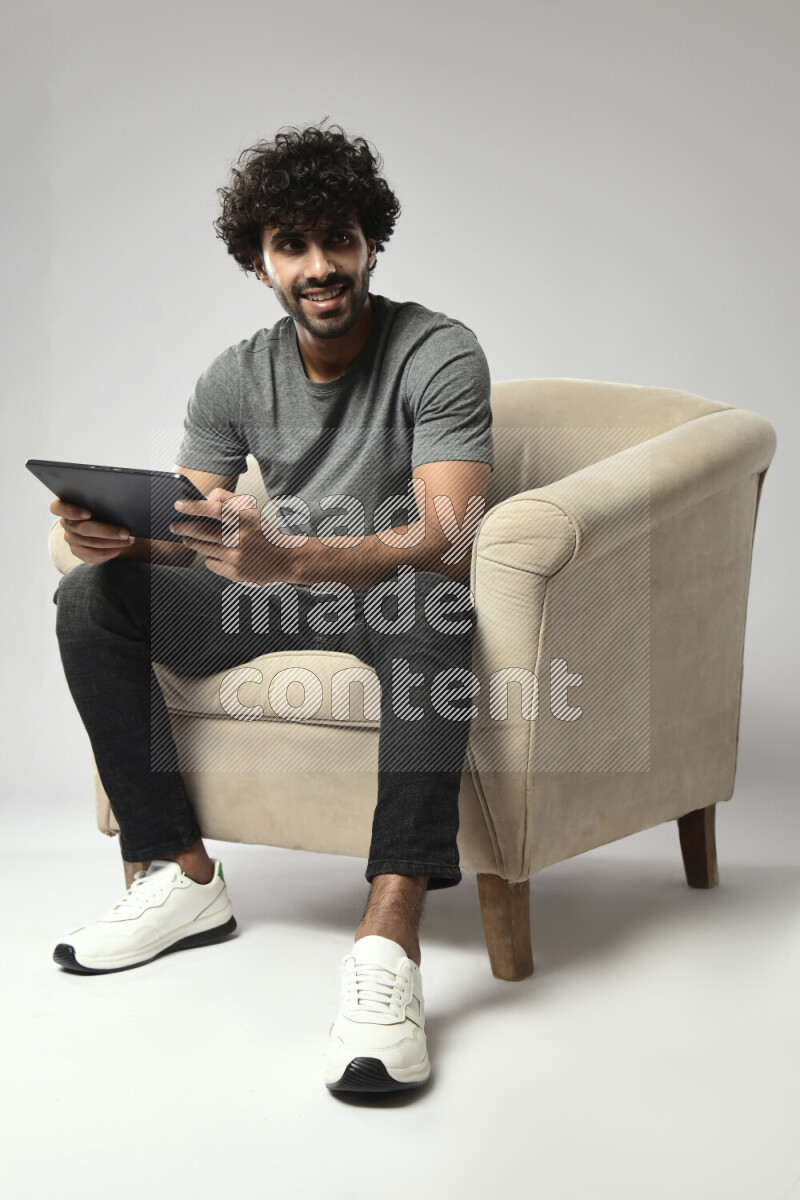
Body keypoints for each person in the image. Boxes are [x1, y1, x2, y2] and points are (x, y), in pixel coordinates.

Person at [50, 124, 493, 1094]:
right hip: (267, 597)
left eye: (337, 237)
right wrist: (121, 536)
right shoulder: (234, 374)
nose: (320, 265)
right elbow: (185, 519)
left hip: (382, 594)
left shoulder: (437, 349)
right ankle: (179, 876)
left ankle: (388, 937)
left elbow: (446, 531)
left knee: (435, 605)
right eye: (291, 245)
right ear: (259, 261)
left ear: (370, 240)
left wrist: (294, 554)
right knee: (94, 598)